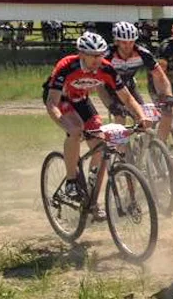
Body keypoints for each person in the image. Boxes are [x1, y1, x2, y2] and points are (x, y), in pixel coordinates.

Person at [43, 32, 152, 217]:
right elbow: (51, 102)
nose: (97, 60)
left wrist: (141, 116)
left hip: (80, 99)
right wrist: (66, 125)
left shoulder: (107, 68)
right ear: (81, 54)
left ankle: (92, 200)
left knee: (100, 144)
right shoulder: (67, 66)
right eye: (92, 56)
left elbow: (126, 98)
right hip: (59, 99)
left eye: (100, 55)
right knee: (75, 130)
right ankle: (71, 181)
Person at [100, 21, 173, 127]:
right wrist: (111, 105)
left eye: (131, 42)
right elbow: (98, 83)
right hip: (108, 88)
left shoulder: (143, 54)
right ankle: (119, 137)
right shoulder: (107, 56)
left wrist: (168, 95)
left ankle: (143, 137)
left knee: (143, 116)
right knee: (120, 115)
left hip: (129, 85)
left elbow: (160, 76)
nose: (128, 46)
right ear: (116, 42)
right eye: (124, 43)